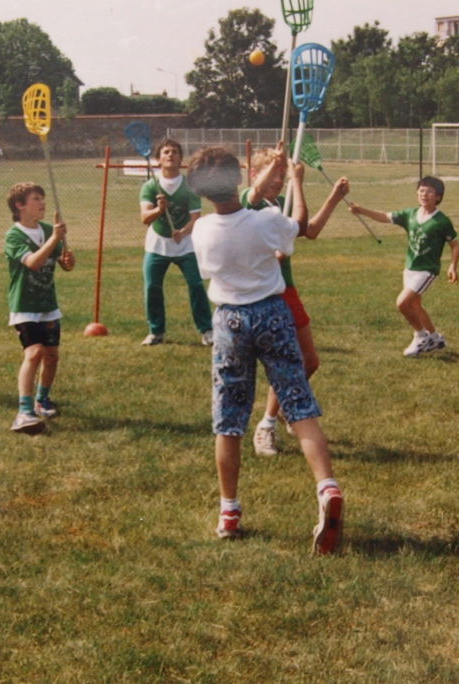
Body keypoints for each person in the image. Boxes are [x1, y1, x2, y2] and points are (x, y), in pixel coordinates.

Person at [186, 145, 343, 555]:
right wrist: (293, 179)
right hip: (273, 313)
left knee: (228, 420)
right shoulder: (267, 221)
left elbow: (244, 203)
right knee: (300, 405)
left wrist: (274, 167)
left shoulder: (201, 230)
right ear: (237, 178)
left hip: (230, 321)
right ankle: (327, 487)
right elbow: (300, 225)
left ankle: (229, 511)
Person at [244, 142, 350, 456]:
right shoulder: (248, 202)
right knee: (286, 363)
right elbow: (253, 197)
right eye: (273, 174)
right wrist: (289, 175)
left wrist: (333, 197)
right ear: (255, 174)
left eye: (282, 175)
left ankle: (286, 409)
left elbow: (308, 230)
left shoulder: (281, 204)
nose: (279, 180)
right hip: (264, 293)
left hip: (287, 288)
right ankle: (266, 425)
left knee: (309, 361)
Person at [349, 176, 459, 357]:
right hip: (410, 268)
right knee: (415, 305)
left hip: (427, 270)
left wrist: (453, 266)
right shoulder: (410, 214)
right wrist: (361, 210)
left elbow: (455, 245)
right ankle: (435, 338)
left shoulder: (442, 221)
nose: (424, 194)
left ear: (438, 197)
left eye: (429, 192)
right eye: (421, 190)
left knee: (402, 303)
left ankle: (421, 337)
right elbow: (385, 216)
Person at [4, 182, 76, 434]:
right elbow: (33, 262)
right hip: (25, 306)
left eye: (43, 198)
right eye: (36, 199)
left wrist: (67, 260)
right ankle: (24, 412)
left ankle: (42, 400)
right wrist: (55, 238)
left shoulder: (47, 230)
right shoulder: (14, 236)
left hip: (48, 305)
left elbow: (64, 263)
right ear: (20, 205)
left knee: (52, 356)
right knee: (34, 353)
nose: (43, 203)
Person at [138, 138, 213, 346]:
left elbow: (196, 217)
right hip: (157, 244)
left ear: (180, 159)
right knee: (152, 287)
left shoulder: (189, 187)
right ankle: (156, 332)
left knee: (196, 285)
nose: (170, 155)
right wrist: (159, 210)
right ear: (159, 159)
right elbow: (145, 217)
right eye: (166, 152)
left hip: (186, 244)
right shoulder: (150, 186)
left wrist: (183, 232)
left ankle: (207, 330)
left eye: (174, 152)